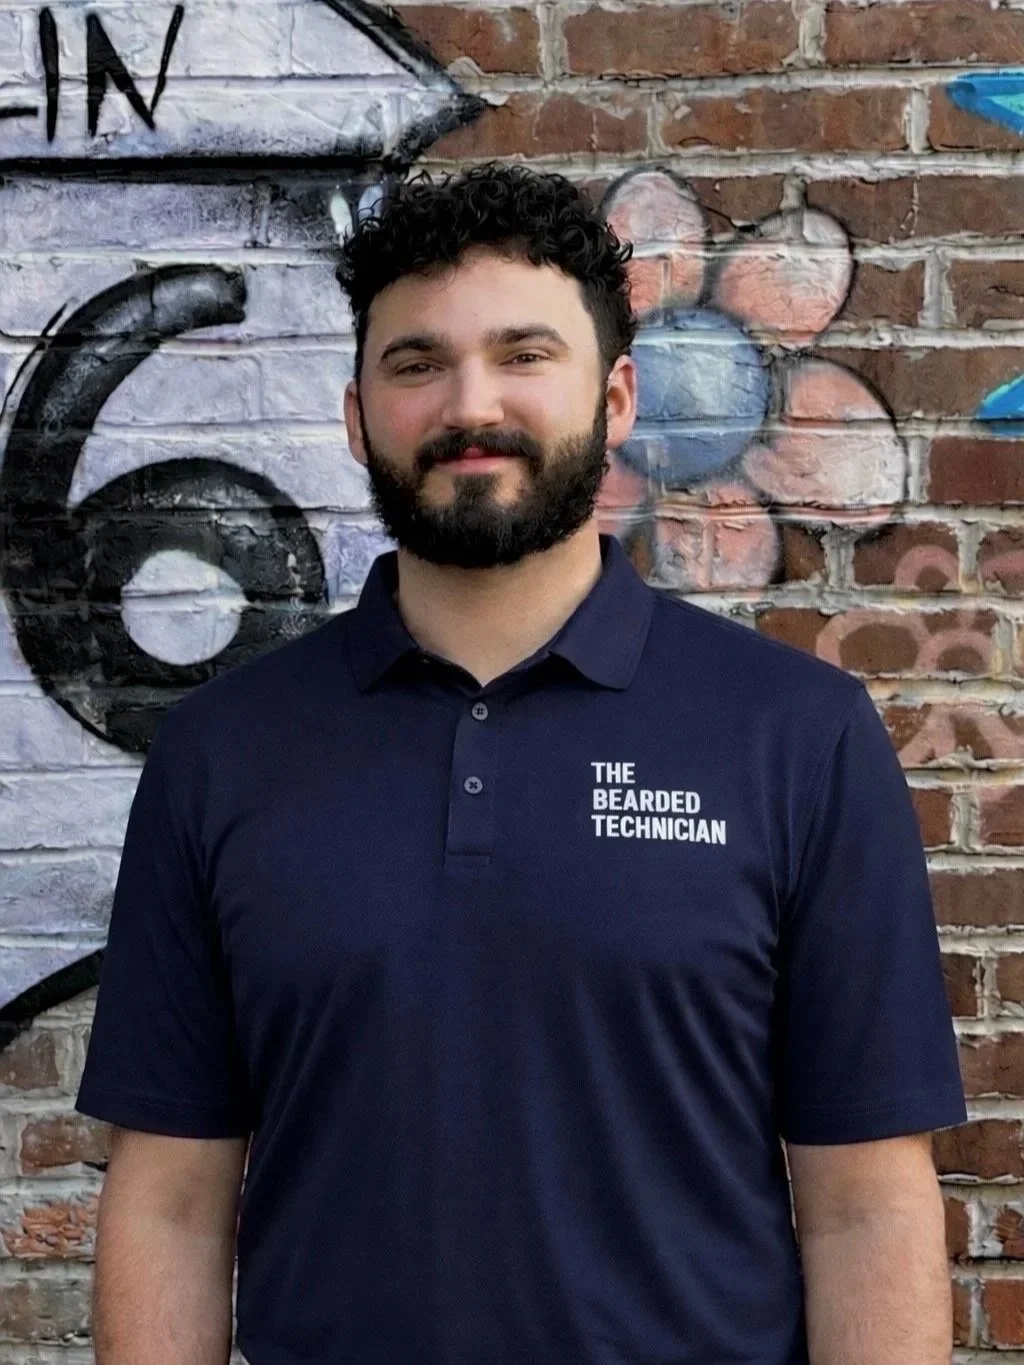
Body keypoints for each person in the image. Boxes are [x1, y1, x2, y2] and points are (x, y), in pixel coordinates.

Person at [75, 160, 967, 1365]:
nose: (469, 404)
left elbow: (864, 1202)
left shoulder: (797, 737)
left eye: (523, 355)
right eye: (416, 363)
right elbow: (172, 1200)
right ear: (354, 415)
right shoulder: (221, 753)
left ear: (616, 398)